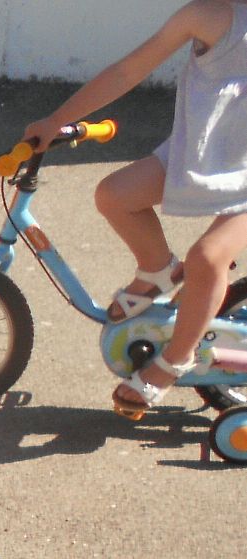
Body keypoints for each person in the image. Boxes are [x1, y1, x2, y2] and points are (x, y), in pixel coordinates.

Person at [20, 0, 247, 419]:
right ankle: (158, 269)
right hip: (202, 155)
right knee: (115, 195)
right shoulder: (209, 16)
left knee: (207, 258)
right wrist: (57, 120)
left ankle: (174, 361)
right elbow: (129, 70)